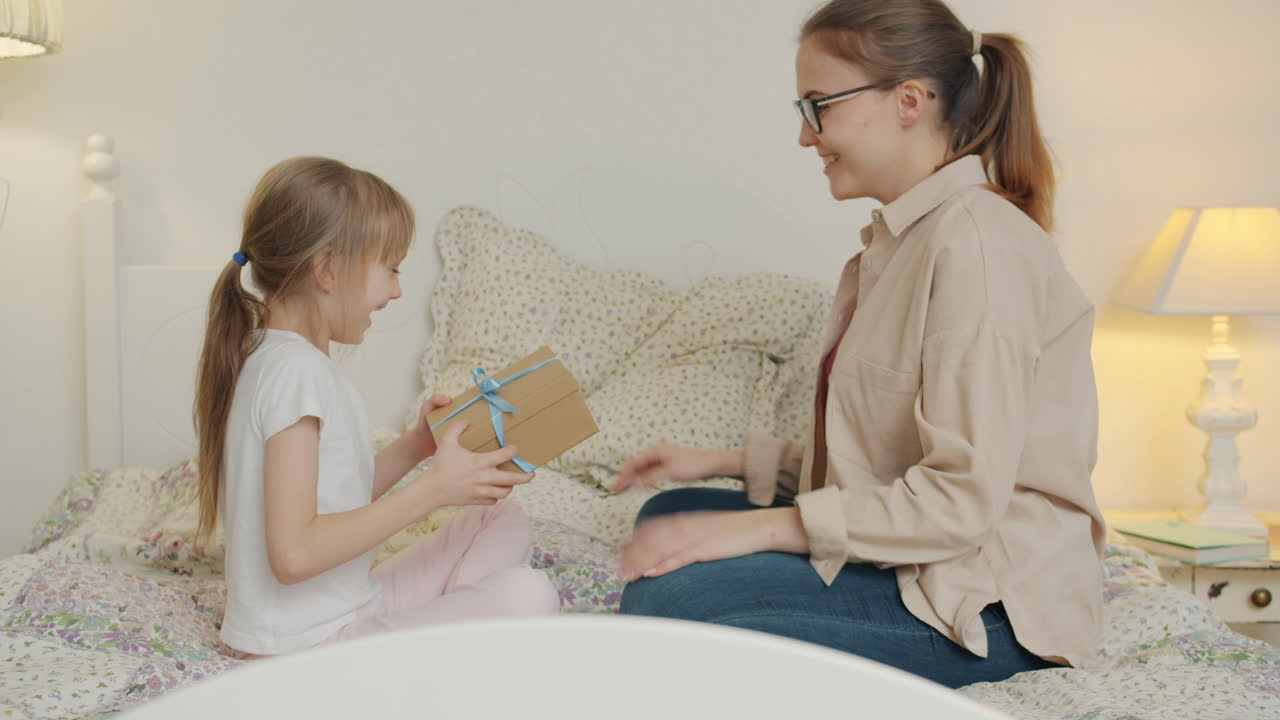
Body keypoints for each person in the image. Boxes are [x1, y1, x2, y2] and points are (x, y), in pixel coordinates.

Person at [614, 0, 1105, 688]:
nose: (806, 137)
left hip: (979, 602)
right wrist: (720, 462)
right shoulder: (897, 245)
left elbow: (959, 504)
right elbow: (881, 460)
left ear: (909, 101)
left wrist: (761, 529)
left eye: (819, 106)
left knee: (674, 600)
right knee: (668, 518)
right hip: (915, 560)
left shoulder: (978, 249)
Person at [193, 156, 559, 657]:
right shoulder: (297, 372)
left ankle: (450, 633)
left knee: (500, 519)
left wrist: (416, 447)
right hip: (306, 646)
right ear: (327, 270)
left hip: (343, 609)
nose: (397, 289)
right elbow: (294, 555)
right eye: (390, 268)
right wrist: (433, 491)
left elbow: (328, 499)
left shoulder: (273, 357)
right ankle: (458, 638)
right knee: (528, 593)